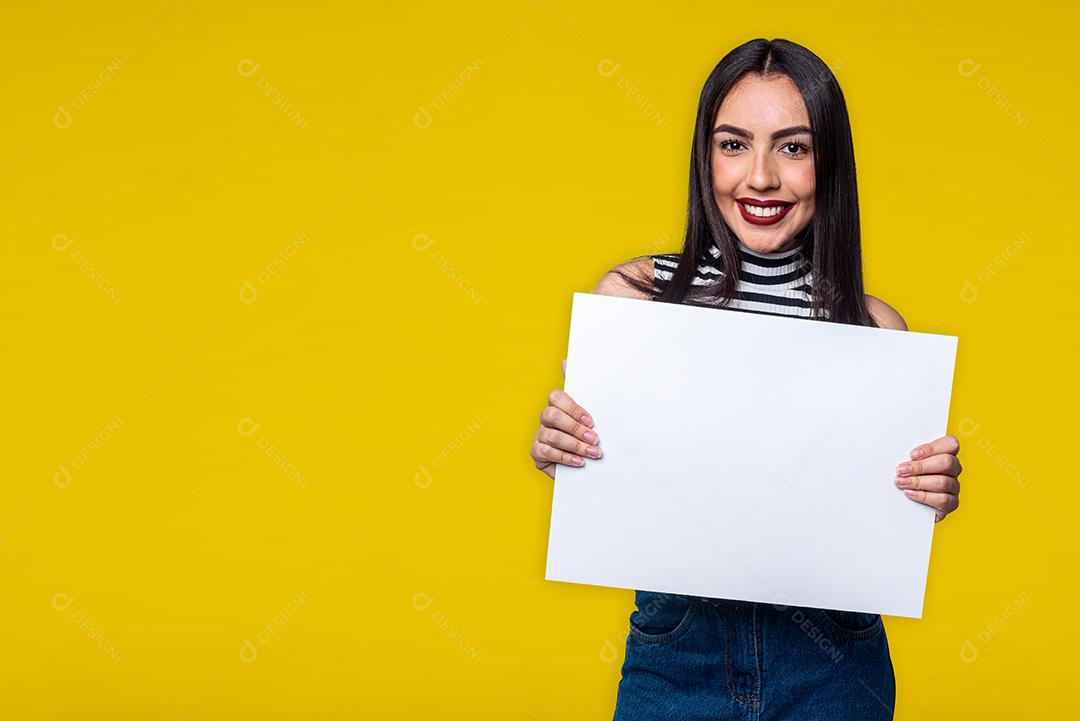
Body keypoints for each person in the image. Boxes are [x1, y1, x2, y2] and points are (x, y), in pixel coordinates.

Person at [529, 38, 963, 720]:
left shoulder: (876, 329)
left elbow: (882, 518)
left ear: (831, 164)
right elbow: (607, 482)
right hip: (679, 651)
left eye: (793, 147)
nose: (759, 177)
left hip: (834, 661)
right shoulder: (635, 300)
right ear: (706, 157)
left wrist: (925, 493)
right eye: (734, 144)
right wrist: (562, 453)